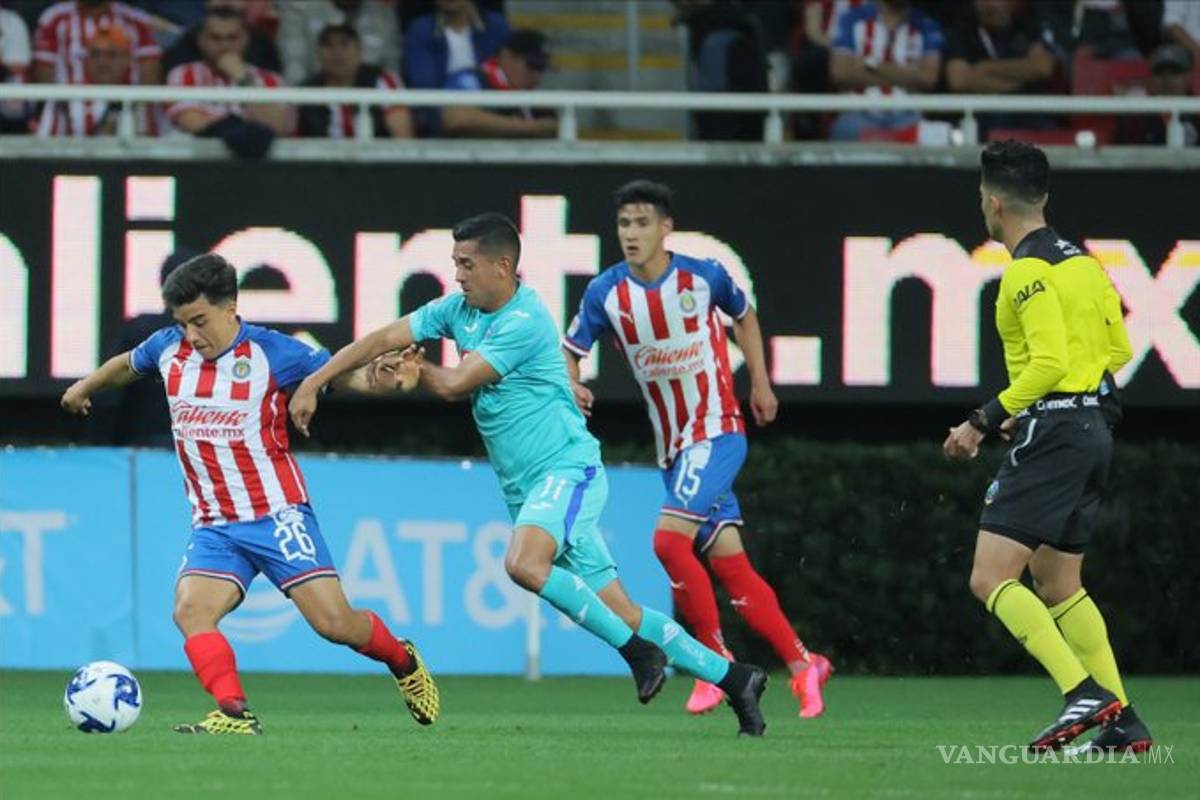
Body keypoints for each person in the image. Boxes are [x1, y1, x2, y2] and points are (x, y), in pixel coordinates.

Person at [289, 213, 770, 737]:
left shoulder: (525, 318)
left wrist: (418, 369)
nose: (457, 275)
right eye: (454, 263)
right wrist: (317, 380)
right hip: (528, 488)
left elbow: (454, 384)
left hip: (568, 469)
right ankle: (736, 678)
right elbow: (384, 336)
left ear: (503, 266)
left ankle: (637, 654)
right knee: (623, 611)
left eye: (466, 264)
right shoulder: (457, 309)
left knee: (523, 563)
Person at [59, 253, 439, 735]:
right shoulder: (167, 348)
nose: (191, 335)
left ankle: (403, 660)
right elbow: (126, 365)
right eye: (182, 323)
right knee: (191, 611)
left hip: (276, 514)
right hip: (215, 525)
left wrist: (383, 381)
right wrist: (85, 387)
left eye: (199, 321)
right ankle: (234, 712)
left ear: (230, 308)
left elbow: (341, 376)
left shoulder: (273, 353)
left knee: (334, 624)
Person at [560, 180, 832, 718]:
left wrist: (761, 383)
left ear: (666, 228)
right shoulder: (605, 293)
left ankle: (713, 665)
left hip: (717, 430)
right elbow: (570, 350)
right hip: (674, 448)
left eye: (642, 223)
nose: (631, 233)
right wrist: (572, 384)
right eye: (624, 223)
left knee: (667, 543)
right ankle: (805, 664)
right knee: (732, 568)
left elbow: (744, 315)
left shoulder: (702, 277)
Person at [942, 140, 1150, 754]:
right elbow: (1119, 351)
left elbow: (1050, 363)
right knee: (1058, 583)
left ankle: (1081, 693)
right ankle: (1122, 721)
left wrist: (984, 420)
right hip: (1092, 430)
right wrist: (1053, 403)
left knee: (989, 578)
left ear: (993, 202)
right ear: (1044, 197)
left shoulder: (1025, 272)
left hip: (1057, 431)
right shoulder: (1084, 264)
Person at [165, 6, 290, 158]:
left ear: (245, 39)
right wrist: (244, 127)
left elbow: (276, 125)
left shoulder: (270, 79)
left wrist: (244, 79)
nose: (224, 46)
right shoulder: (182, 74)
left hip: (258, 164)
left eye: (232, 38)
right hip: (199, 160)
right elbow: (192, 123)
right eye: (216, 38)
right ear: (201, 40)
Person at [828, 0, 944, 141]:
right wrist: (909, 75)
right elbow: (841, 73)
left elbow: (928, 78)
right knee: (845, 130)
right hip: (858, 112)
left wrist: (870, 64)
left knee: (933, 137)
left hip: (908, 114)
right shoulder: (850, 19)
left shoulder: (927, 26)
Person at [944, 0, 1059, 137]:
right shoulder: (961, 31)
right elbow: (959, 81)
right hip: (981, 119)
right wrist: (1021, 78)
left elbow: (1043, 67)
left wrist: (984, 68)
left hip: (1027, 117)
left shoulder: (1027, 26)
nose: (991, 5)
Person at [297, 23, 413, 139]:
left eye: (344, 44)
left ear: (359, 51)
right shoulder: (304, 91)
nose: (337, 52)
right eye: (328, 45)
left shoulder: (384, 82)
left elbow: (403, 139)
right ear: (318, 53)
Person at [439, 28, 555, 139]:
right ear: (507, 56)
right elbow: (455, 118)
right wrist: (527, 128)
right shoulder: (473, 80)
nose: (537, 77)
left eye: (541, 69)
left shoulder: (533, 100)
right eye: (532, 66)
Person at [31, 0, 161, 86]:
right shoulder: (54, 18)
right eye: (96, 54)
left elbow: (150, 78)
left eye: (111, 55)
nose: (103, 61)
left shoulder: (137, 22)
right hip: (67, 111)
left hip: (125, 109)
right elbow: (43, 78)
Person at [277, 0, 400, 86]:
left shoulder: (384, 15)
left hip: (371, 102)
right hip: (313, 101)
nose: (337, 52)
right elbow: (294, 74)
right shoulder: (299, 10)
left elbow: (391, 73)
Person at [1114, 43, 1198, 146]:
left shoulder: (1197, 117)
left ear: (1188, 78)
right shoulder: (1136, 121)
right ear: (1150, 79)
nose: (1166, 79)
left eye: (1174, 72)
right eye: (1159, 73)